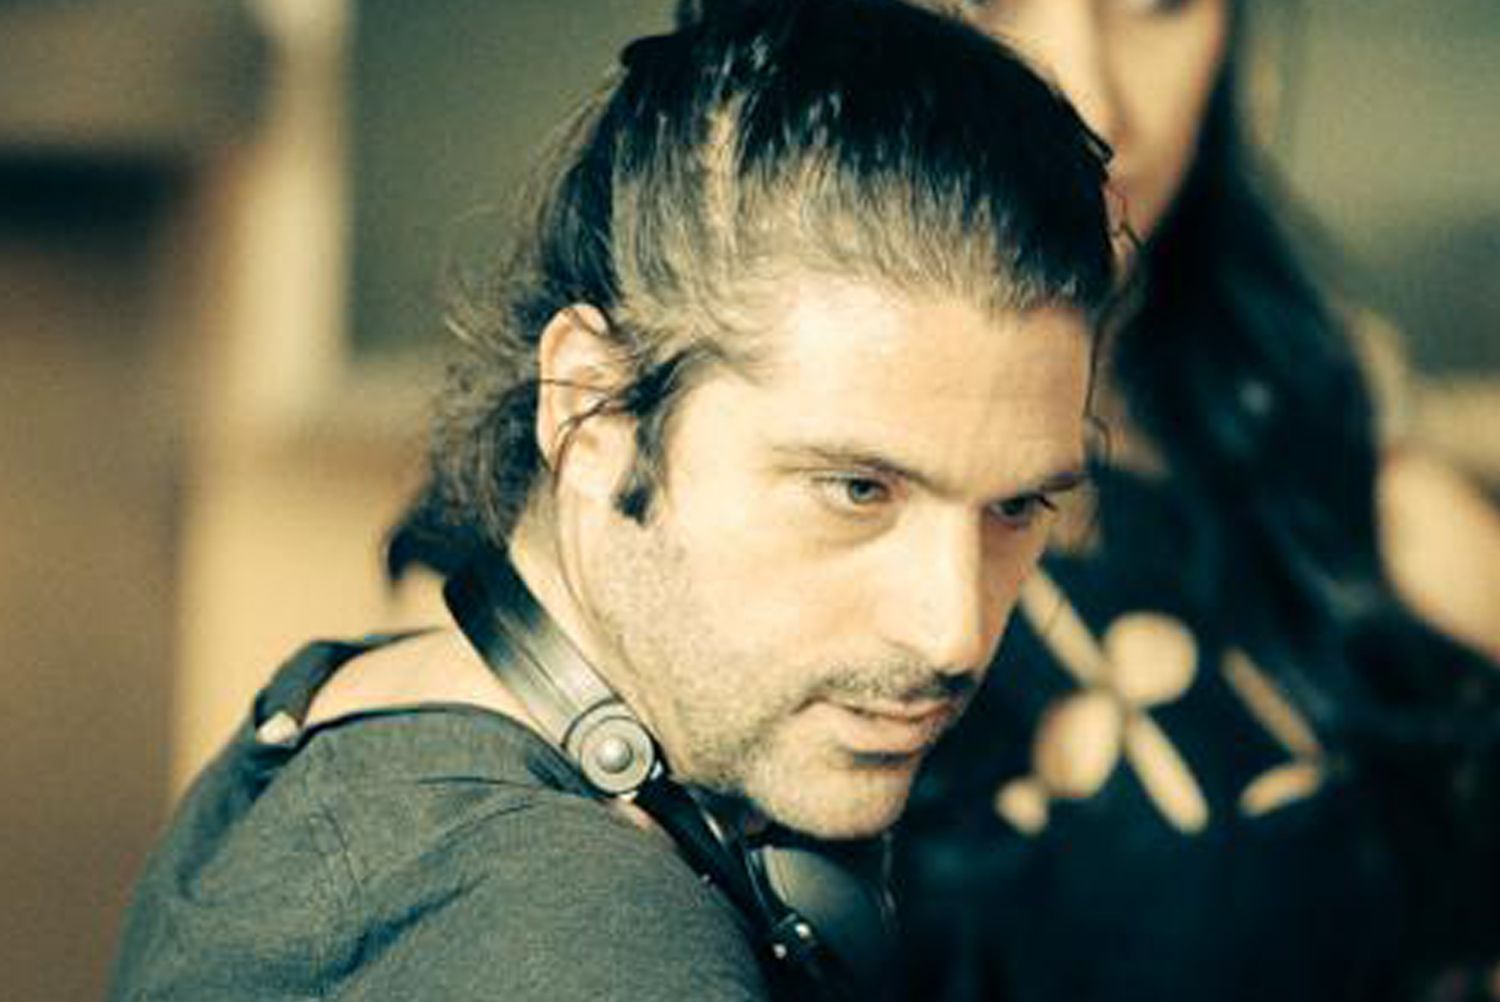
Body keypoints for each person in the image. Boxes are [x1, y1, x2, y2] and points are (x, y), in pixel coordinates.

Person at [108, 2, 1121, 999]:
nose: (953, 632)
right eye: (857, 490)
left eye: (1016, 508)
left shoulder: (331, 720)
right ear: (593, 409)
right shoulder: (587, 942)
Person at [892, 1, 1500, 1001]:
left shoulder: (1317, 442)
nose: (1093, 101)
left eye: (1157, 4)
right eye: (993, 2)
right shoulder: (708, 513)